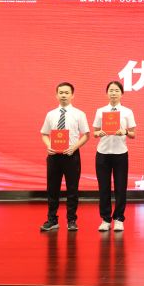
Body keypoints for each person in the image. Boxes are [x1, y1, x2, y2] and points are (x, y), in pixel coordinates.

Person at [39, 82, 90, 231]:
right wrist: (48, 145)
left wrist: (74, 147)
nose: (63, 95)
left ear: (72, 95)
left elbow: (86, 135)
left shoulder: (79, 114)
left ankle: (71, 220)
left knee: (72, 189)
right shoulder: (51, 114)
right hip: (54, 156)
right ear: (56, 95)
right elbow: (44, 134)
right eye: (61, 92)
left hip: (71, 155)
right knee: (52, 189)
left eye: (67, 93)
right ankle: (52, 219)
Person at [92, 81, 136, 232]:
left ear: (121, 93)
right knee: (103, 187)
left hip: (120, 153)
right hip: (103, 153)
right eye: (111, 90)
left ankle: (118, 219)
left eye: (116, 90)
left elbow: (133, 134)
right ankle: (105, 219)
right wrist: (99, 133)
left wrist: (125, 132)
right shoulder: (100, 111)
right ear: (107, 93)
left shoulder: (127, 112)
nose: (113, 93)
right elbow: (94, 132)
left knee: (120, 187)